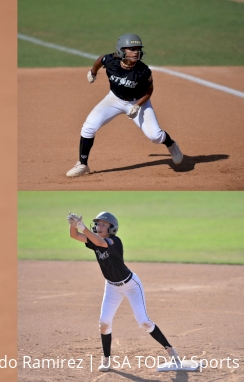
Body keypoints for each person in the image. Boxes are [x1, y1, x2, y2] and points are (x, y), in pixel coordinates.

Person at [67, 211, 179, 372]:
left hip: (131, 285)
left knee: (144, 322)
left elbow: (99, 241)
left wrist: (83, 227)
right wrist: (73, 225)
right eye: (98, 223)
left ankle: (170, 350)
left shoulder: (114, 241)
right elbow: (75, 236)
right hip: (112, 286)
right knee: (104, 322)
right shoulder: (94, 240)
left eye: (103, 224)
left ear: (112, 229)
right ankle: (106, 360)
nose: (99, 226)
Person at [66, 34, 183, 177]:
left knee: (155, 136)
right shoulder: (110, 61)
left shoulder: (143, 71)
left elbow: (149, 90)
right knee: (88, 126)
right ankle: (82, 164)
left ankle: (171, 145)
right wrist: (93, 72)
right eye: (132, 49)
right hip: (114, 99)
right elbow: (99, 60)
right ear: (121, 50)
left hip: (137, 101)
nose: (136, 52)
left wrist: (138, 105)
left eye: (138, 49)